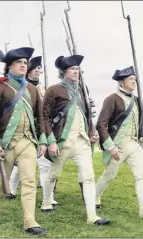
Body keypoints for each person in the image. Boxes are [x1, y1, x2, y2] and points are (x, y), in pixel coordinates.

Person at [0, 47, 47, 235]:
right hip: (6, 141)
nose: (23, 65)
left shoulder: (33, 90)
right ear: (9, 65)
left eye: (25, 63)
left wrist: (42, 140)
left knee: (29, 181)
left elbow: (40, 117)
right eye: (19, 62)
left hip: (28, 140)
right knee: (3, 178)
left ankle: (30, 221)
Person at [41, 54, 110, 226]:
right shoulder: (54, 90)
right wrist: (50, 141)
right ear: (64, 71)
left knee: (88, 177)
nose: (76, 71)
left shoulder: (83, 89)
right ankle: (46, 201)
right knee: (53, 175)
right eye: (72, 68)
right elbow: (44, 117)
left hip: (82, 140)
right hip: (62, 140)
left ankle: (92, 216)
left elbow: (87, 114)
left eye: (77, 68)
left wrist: (92, 131)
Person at [95, 66, 143, 221]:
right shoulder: (112, 99)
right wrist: (110, 147)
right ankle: (95, 196)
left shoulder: (136, 100)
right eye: (131, 79)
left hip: (134, 143)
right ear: (121, 82)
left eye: (134, 79)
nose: (134, 82)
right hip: (117, 144)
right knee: (109, 175)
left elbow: (142, 119)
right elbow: (101, 124)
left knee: (142, 175)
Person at [7, 55, 59, 206]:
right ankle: (11, 189)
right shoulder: (21, 86)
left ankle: (47, 197)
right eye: (36, 69)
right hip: (25, 127)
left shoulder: (43, 87)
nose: (38, 71)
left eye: (40, 69)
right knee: (19, 163)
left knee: (44, 163)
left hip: (40, 126)